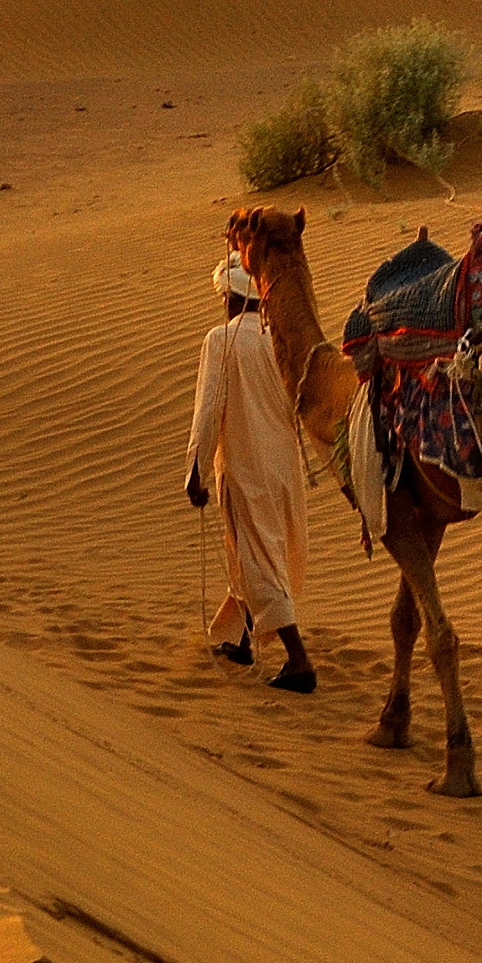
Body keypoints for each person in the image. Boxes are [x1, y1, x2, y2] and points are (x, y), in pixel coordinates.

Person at [186, 256, 315, 690]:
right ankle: (238, 638)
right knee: (255, 550)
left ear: (231, 298)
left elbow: (208, 410)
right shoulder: (279, 339)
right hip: (283, 468)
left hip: (245, 465)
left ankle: (299, 662)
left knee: (258, 558)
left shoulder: (221, 340)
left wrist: (195, 471)